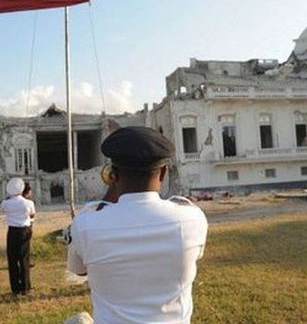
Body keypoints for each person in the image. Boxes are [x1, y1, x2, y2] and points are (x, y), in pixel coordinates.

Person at [67, 126, 208, 323]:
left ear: (112, 175)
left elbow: (79, 270)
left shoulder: (86, 225)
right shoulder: (192, 219)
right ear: (163, 173)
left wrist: (109, 194)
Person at [1, 177, 35, 296]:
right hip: (24, 229)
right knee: (24, 258)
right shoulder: (28, 203)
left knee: (12, 259)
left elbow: (3, 209)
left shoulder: (6, 203)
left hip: (12, 231)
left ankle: (15, 288)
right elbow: (32, 214)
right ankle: (25, 286)